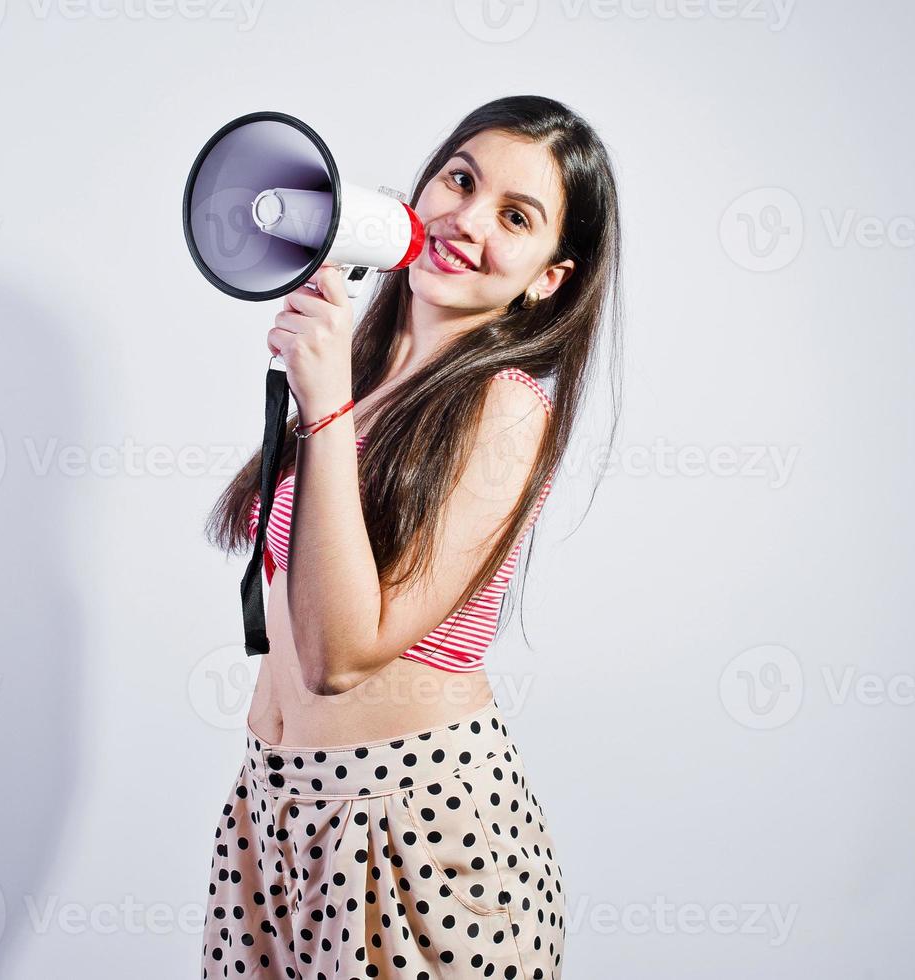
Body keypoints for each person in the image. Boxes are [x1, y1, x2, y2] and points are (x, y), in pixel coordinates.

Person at [200, 94, 623, 980]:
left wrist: (325, 410)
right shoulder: (353, 369)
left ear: (548, 276)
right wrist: (330, 386)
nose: (467, 221)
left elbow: (340, 656)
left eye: (515, 216)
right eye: (459, 180)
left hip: (412, 825)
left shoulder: (506, 408)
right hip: (274, 816)